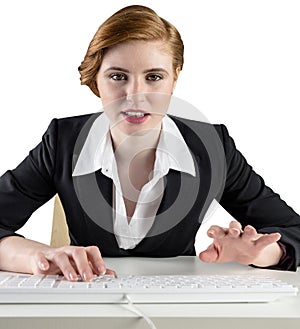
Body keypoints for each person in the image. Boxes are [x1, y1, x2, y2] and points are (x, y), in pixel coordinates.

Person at [0, 5, 299, 282]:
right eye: (118, 76)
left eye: (154, 77)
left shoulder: (212, 147)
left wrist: (261, 253)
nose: (135, 95)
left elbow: (293, 231)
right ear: (96, 80)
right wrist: (38, 256)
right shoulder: (62, 141)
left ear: (175, 79)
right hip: (87, 299)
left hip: (175, 304)